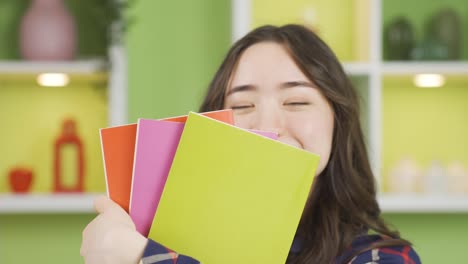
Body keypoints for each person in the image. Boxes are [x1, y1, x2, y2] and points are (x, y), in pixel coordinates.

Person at [80, 24, 421, 264]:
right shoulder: (162, 239)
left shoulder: (380, 256)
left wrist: (143, 257)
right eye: (242, 106)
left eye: (296, 102)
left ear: (339, 121)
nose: (268, 126)